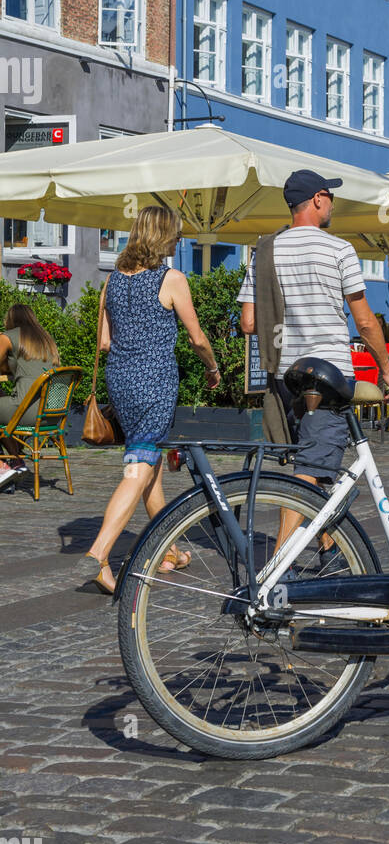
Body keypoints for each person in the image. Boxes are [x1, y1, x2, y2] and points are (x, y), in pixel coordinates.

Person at [238, 170, 389, 551]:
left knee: (315, 458)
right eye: (330, 196)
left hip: (286, 376)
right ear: (316, 200)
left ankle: (327, 546)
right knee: (309, 470)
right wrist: (388, 370)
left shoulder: (264, 250)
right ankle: (279, 564)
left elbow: (248, 322)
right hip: (327, 378)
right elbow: (363, 319)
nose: (332, 204)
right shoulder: (339, 249)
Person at [76, 207, 221, 594]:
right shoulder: (171, 279)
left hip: (119, 381)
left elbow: (104, 342)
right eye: (174, 235)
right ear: (163, 237)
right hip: (154, 382)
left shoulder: (112, 281)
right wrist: (212, 368)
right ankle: (100, 552)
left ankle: (169, 548)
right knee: (140, 465)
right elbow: (197, 338)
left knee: (149, 463)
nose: (177, 241)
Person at [0, 306, 60, 490]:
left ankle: (2, 467)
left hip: (25, 410)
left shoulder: (7, 337)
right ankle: (16, 462)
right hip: (51, 414)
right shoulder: (46, 341)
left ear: (10, 320)